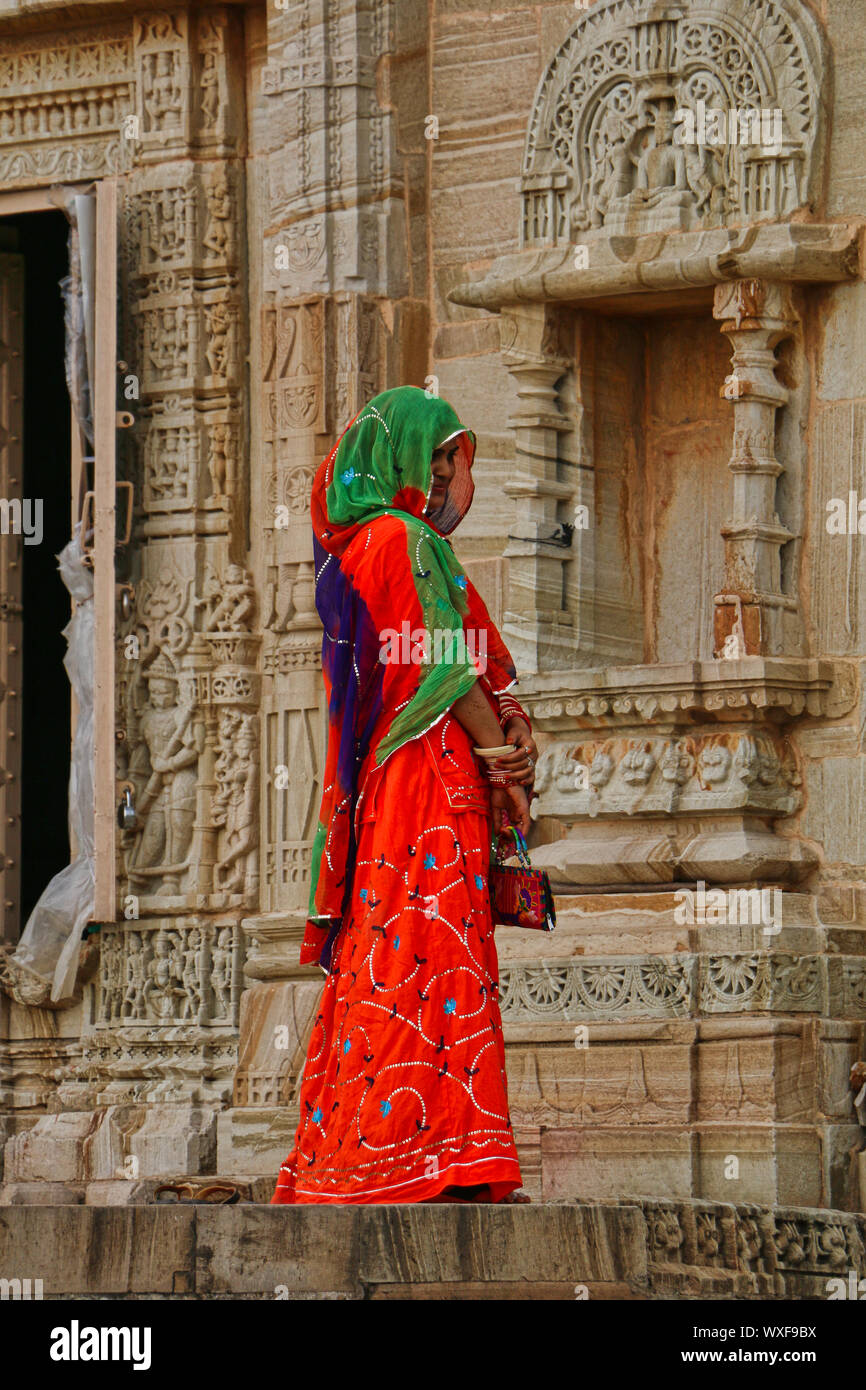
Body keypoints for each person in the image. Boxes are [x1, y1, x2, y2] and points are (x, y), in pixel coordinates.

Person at [271, 385, 539, 1205]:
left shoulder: (365, 544)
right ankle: (426, 1161)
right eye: (461, 463)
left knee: (395, 959)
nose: (467, 484)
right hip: (427, 780)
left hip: (399, 789)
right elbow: (445, 669)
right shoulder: (401, 539)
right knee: (435, 953)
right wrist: (501, 761)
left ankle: (397, 1158)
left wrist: (511, 731)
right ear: (428, 461)